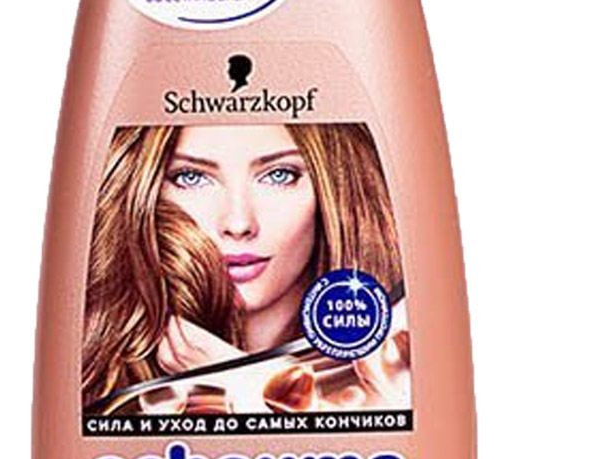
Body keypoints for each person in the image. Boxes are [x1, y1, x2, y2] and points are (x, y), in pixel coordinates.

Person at [82, 121, 402, 409]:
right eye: (191, 177)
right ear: (145, 193)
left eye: (279, 175)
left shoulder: (397, 370)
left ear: (333, 190)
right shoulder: (95, 386)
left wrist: (245, 381)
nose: (238, 223)